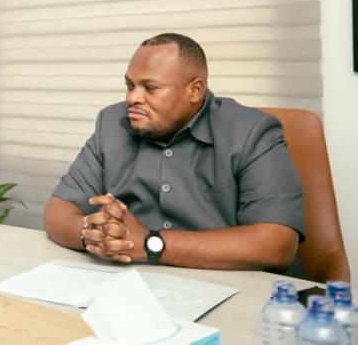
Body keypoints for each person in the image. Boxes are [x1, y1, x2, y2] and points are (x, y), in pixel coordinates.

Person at [44, 33, 305, 273]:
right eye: (130, 85)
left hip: (227, 285)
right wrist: (95, 234)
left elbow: (277, 244)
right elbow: (58, 210)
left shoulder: (251, 131)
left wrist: (149, 243)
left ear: (195, 90)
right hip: (135, 284)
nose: (133, 98)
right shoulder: (111, 124)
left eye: (150, 88)